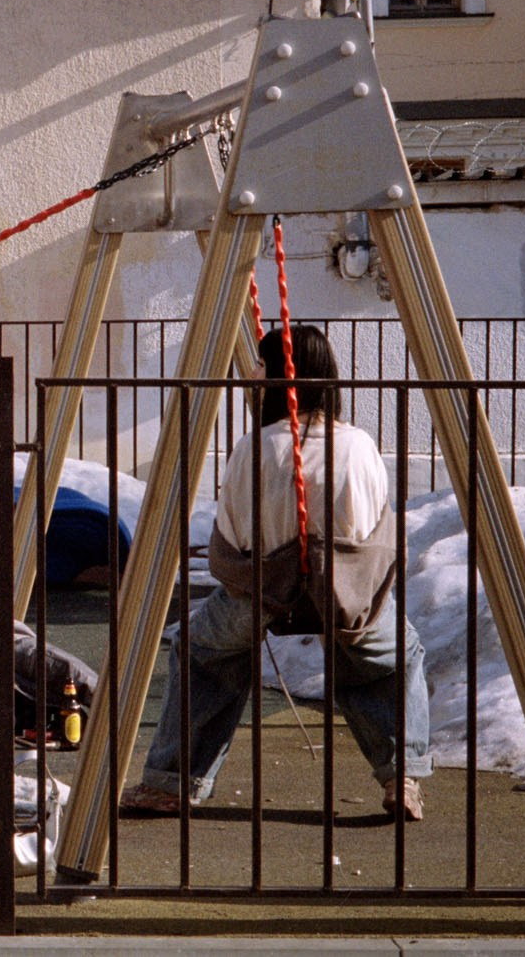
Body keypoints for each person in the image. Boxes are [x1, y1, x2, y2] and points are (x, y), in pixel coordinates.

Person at [121, 324, 432, 822]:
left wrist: (262, 565)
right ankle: (403, 776)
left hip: (262, 594)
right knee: (397, 655)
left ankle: (171, 782)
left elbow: (231, 534)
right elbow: (377, 528)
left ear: (283, 377)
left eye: (261, 365)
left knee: (200, 651)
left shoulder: (255, 447)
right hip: (347, 595)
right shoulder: (359, 445)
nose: (252, 373)